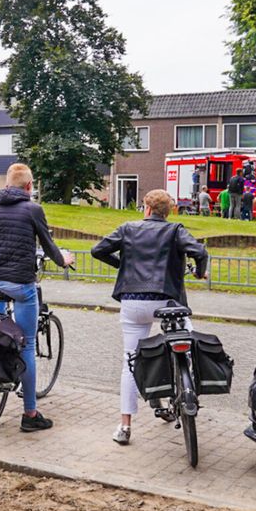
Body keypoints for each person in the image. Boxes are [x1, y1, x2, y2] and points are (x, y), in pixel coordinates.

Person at [90, 189, 209, 446]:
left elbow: (97, 250)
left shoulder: (127, 228)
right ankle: (186, 386)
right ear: (168, 211)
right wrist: (200, 273)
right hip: (167, 300)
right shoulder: (175, 230)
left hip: (133, 302)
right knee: (187, 340)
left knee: (130, 361)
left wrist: (121, 265)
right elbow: (200, 252)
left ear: (145, 208)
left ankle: (124, 426)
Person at [0, 163, 73, 433]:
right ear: (29, 186)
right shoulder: (33, 209)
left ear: (7, 184)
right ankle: (30, 414)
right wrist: (63, 260)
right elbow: (48, 244)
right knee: (28, 344)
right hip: (19, 283)